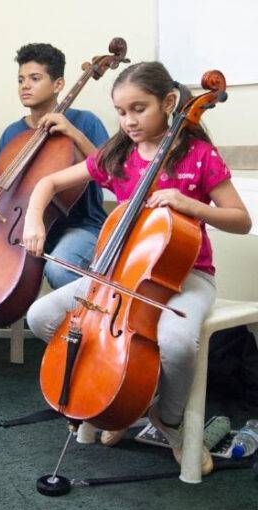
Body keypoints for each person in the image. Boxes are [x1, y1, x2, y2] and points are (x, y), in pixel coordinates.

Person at [22, 61, 252, 475]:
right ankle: (128, 398)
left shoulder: (198, 154)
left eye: (138, 109)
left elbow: (241, 219)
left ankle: (170, 419)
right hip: (117, 277)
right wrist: (33, 220)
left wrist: (189, 204)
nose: (128, 120)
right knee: (41, 317)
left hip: (186, 276)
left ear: (168, 103)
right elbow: (47, 184)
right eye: (121, 111)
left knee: (178, 342)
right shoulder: (118, 154)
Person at [0, 43, 109, 376]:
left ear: (58, 84)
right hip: (16, 227)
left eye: (35, 78)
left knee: (61, 268)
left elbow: (112, 170)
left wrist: (72, 133)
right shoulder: (14, 132)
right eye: (20, 78)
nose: (25, 85)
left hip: (76, 226)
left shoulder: (85, 121)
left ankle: (85, 345)